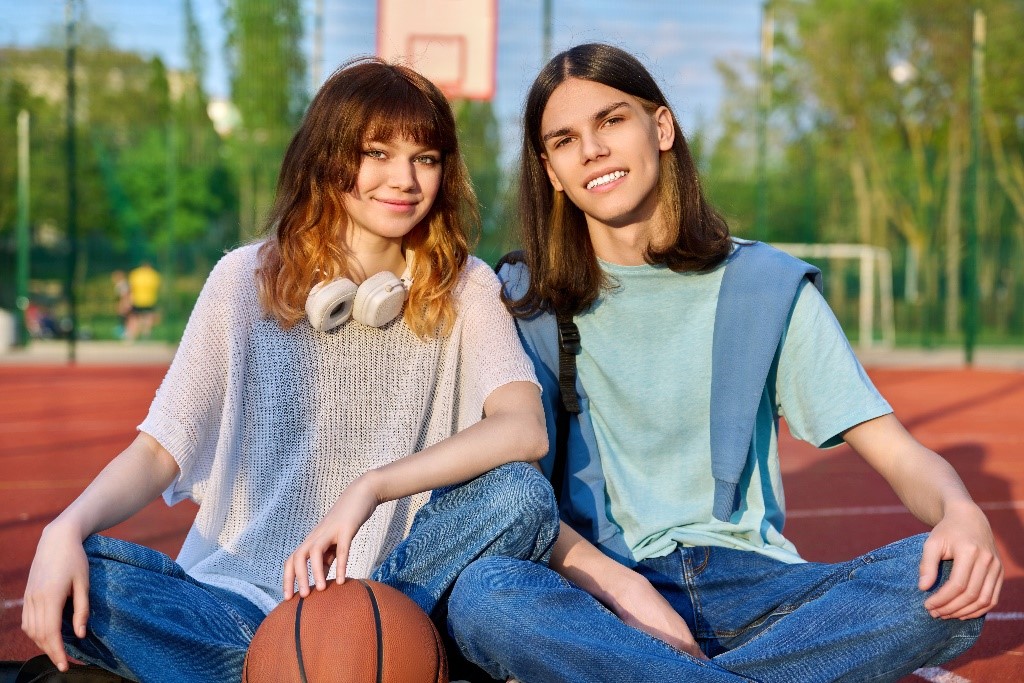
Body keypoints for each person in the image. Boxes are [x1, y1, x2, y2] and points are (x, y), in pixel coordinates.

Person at [446, 43, 1003, 682]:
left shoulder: (764, 284)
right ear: (551, 171)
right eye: (566, 139)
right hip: (598, 595)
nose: (593, 149)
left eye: (611, 120)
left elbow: (898, 454)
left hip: (758, 591)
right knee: (486, 595)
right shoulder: (522, 297)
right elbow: (515, 491)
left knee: (954, 580)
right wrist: (627, 596)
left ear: (660, 128)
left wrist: (961, 511)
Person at [21, 57, 557, 683]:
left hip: (389, 594)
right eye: (376, 152)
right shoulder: (242, 280)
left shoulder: (465, 285)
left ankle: (307, 664)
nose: (404, 179)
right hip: (236, 604)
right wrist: (64, 527)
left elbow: (525, 430)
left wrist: (372, 487)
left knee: (521, 496)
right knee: (81, 575)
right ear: (329, 159)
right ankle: (307, 666)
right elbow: (160, 450)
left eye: (426, 158)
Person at [125, 260, 161, 340]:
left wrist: (128, 299)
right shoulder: (154, 275)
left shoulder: (135, 273)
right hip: (150, 300)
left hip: (137, 300)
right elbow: (157, 288)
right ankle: (146, 334)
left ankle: (131, 335)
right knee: (148, 317)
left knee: (134, 317)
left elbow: (131, 288)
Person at [110, 270, 132, 340]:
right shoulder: (122, 284)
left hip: (125, 303)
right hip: (125, 302)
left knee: (125, 318)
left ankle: (126, 334)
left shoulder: (122, 284)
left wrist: (123, 305)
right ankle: (125, 333)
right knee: (124, 318)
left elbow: (124, 295)